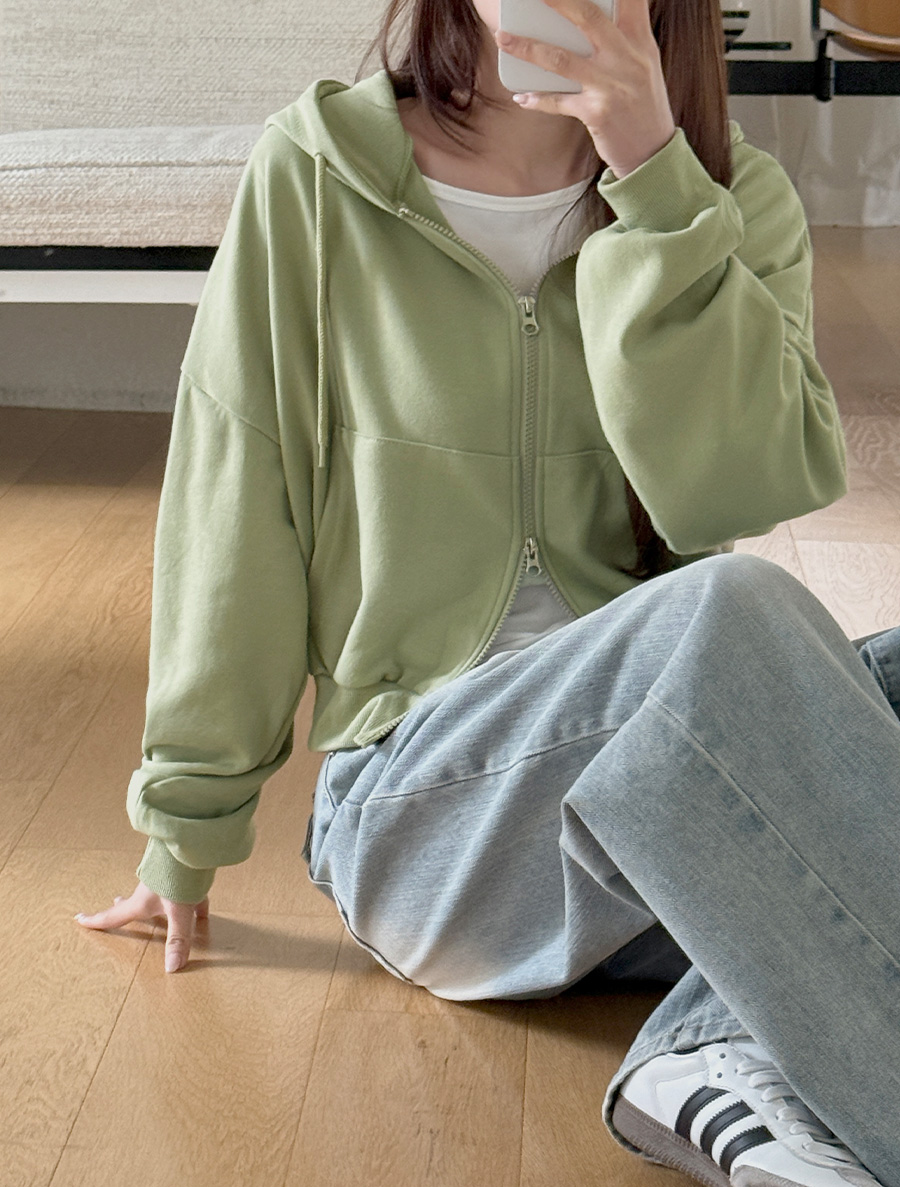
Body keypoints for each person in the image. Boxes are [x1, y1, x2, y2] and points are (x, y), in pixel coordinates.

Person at [74, 0, 900, 1184]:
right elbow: (236, 497)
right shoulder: (317, 178)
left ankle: (702, 1053)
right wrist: (184, 830)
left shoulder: (727, 201)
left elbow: (741, 489)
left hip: (654, 836)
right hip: (423, 818)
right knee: (732, 615)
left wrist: (656, 184)